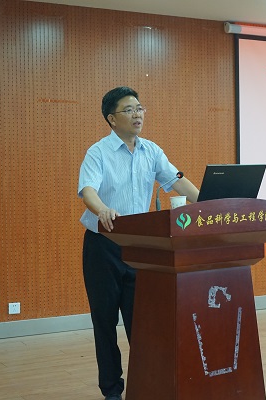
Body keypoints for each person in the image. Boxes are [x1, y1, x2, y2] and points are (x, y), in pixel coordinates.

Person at [77, 86, 199, 400]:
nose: (137, 115)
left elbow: (177, 181)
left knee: (142, 323)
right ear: (111, 118)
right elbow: (88, 190)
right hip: (103, 246)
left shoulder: (152, 151)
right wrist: (102, 209)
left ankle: (148, 385)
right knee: (105, 322)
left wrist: (209, 203)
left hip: (139, 249)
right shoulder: (98, 153)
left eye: (140, 108)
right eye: (129, 109)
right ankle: (112, 391)